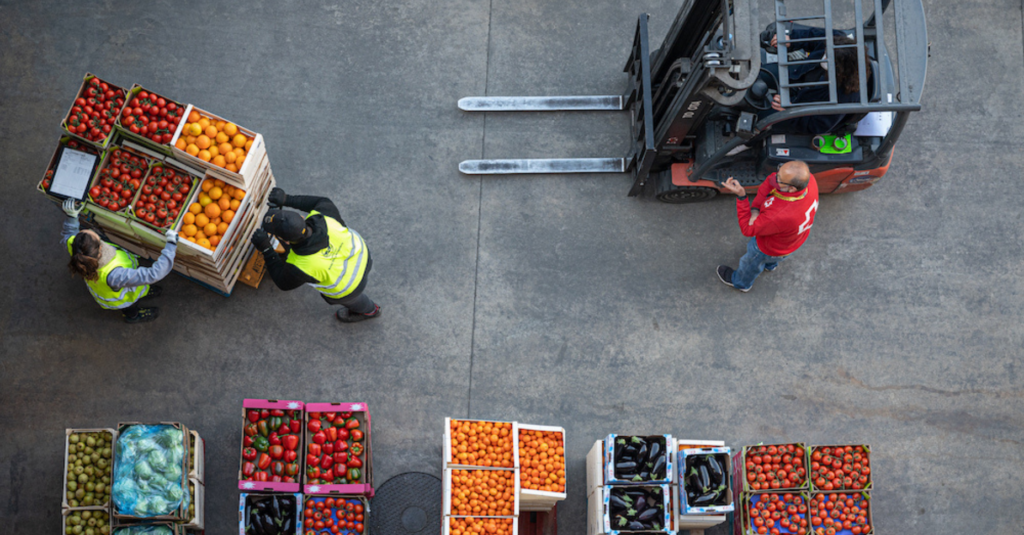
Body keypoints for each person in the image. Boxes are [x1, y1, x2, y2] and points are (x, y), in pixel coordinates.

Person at [251, 188, 381, 323]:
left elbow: (282, 282)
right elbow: (321, 201)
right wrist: (287, 199)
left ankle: (370, 311)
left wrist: (266, 249)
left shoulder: (302, 265)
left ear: (286, 241)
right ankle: (369, 309)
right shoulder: (325, 216)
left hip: (349, 286)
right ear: (302, 218)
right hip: (362, 255)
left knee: (354, 299)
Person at [61, 199, 178, 323]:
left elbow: (69, 233)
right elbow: (153, 274)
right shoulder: (114, 275)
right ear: (100, 248)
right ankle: (133, 317)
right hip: (121, 299)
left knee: (139, 287)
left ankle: (144, 292)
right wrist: (171, 245)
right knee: (130, 306)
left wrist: (72, 217)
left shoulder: (76, 248)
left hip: (109, 286)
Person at [717, 161, 819, 292]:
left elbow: (748, 229)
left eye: (780, 179)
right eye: (779, 171)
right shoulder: (808, 181)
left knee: (750, 263)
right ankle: (770, 265)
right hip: (793, 241)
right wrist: (755, 209)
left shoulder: (778, 215)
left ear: (792, 189)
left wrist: (742, 197)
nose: (775, 177)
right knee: (774, 258)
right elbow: (771, 180)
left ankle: (741, 283)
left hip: (768, 248)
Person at [760, 27, 872, 134]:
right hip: (795, 74)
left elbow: (816, 125)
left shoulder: (845, 97)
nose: (823, 57)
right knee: (760, 74)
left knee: (760, 116)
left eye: (828, 59)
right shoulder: (836, 40)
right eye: (826, 53)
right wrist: (792, 39)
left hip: (800, 108)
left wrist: (791, 111)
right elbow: (812, 36)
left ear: (840, 70)